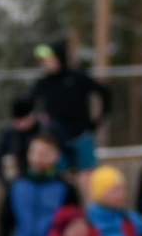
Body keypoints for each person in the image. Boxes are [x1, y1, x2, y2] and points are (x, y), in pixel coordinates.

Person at [7, 128, 75, 236]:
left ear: (56, 156)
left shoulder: (65, 188)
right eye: (35, 151)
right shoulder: (17, 186)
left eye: (45, 152)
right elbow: (6, 221)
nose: (39, 157)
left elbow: (73, 227)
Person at [0, 95, 63, 236]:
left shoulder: (47, 127)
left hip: (50, 181)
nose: (20, 125)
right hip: (24, 181)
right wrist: (5, 182)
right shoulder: (10, 134)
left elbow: (66, 150)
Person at [29, 41, 110, 171]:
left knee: (87, 175)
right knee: (61, 176)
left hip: (81, 137)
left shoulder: (77, 78)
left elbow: (104, 92)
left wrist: (98, 120)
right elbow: (28, 105)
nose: (45, 63)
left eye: (49, 59)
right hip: (57, 140)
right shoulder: (43, 83)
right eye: (43, 60)